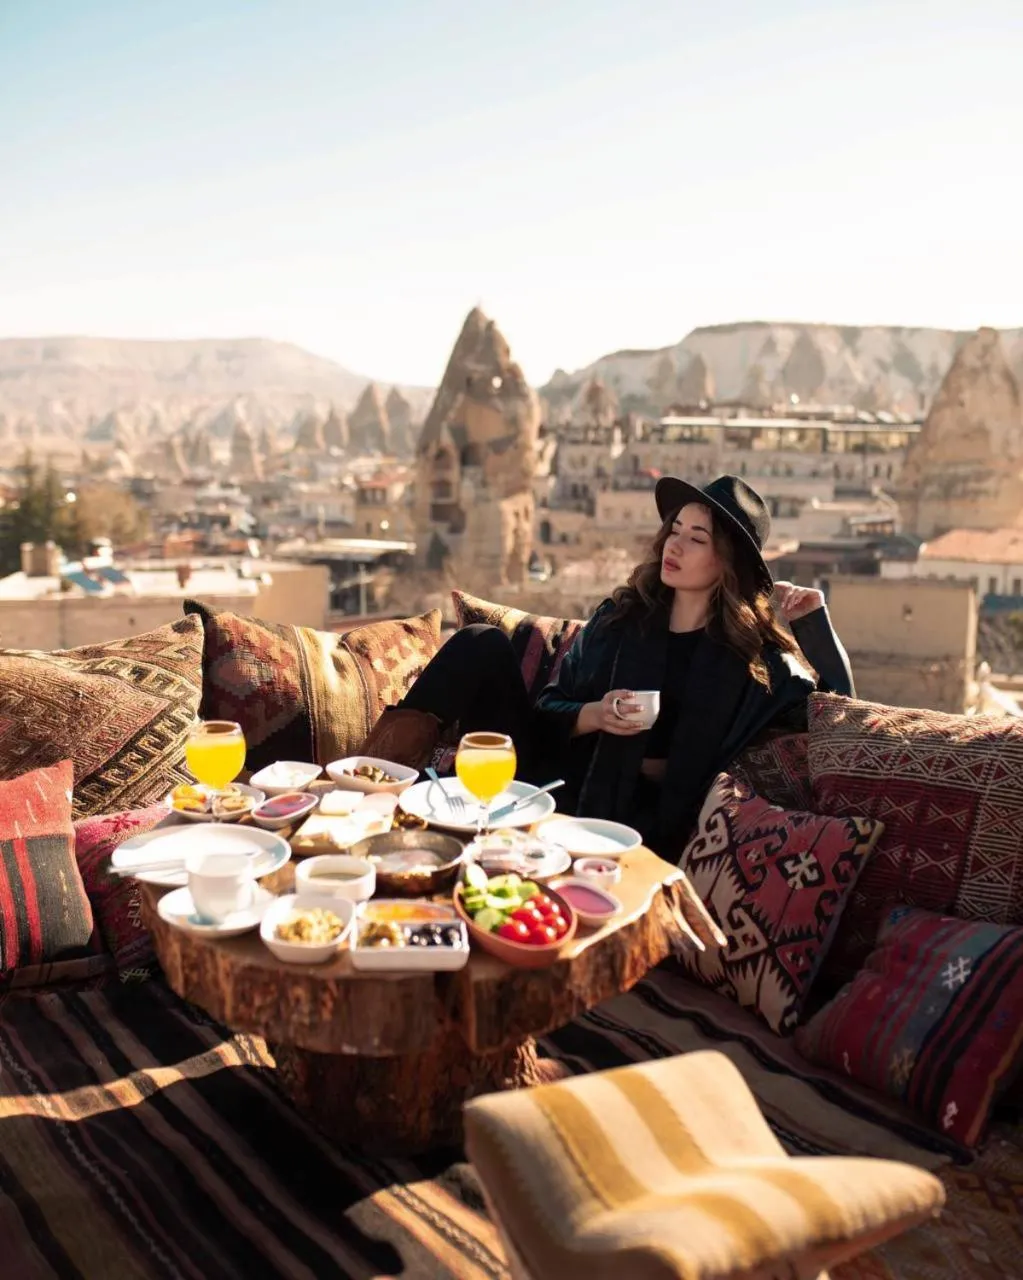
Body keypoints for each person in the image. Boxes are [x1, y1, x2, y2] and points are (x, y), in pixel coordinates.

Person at [360, 474, 853, 856]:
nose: (675, 545)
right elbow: (549, 706)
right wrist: (595, 714)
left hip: (639, 813)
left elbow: (837, 714)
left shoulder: (753, 661)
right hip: (555, 772)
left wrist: (813, 624)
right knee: (479, 642)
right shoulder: (621, 619)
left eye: (697, 539)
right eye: (674, 530)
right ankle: (368, 791)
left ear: (728, 562)